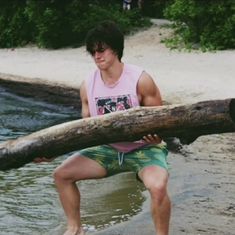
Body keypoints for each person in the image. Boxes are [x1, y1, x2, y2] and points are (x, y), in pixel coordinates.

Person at [53, 21, 171, 235]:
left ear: (115, 49)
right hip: (108, 150)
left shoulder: (140, 80)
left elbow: (160, 121)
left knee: (158, 187)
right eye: (92, 52)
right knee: (62, 174)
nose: (97, 56)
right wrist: (49, 151)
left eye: (101, 50)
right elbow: (85, 131)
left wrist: (157, 136)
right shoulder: (87, 85)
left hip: (144, 149)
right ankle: (75, 228)